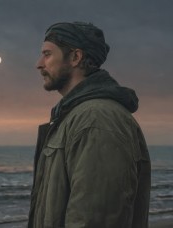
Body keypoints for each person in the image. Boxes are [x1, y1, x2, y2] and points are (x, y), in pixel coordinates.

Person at [28, 22, 151, 228]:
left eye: (47, 54)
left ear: (76, 57)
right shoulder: (74, 116)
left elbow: (95, 219)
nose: (39, 64)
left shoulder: (97, 119)